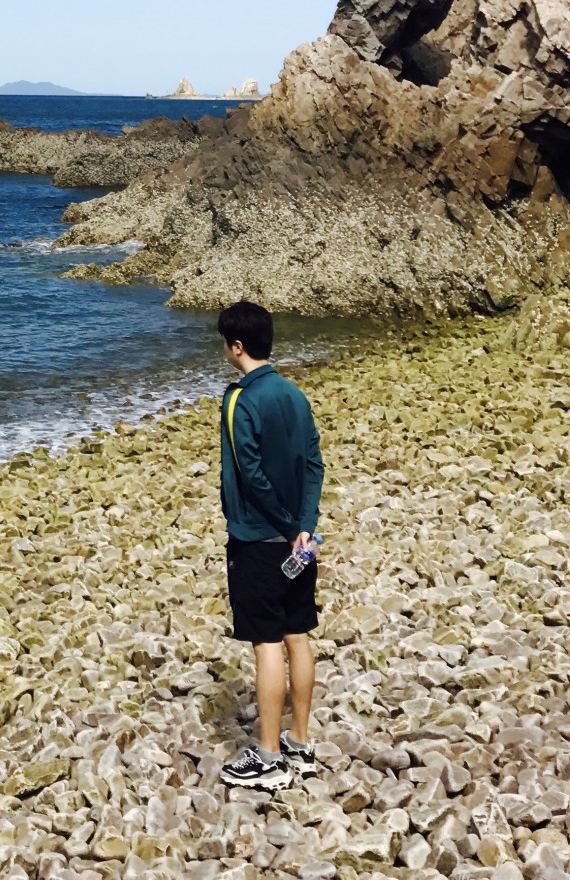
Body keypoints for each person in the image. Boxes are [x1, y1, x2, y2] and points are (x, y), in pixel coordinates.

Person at [215, 299, 324, 789]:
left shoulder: (239, 399)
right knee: (297, 634)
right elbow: (314, 463)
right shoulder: (295, 394)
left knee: (266, 643)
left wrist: (283, 523)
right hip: (299, 540)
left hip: (258, 538)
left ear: (236, 346)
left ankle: (268, 757)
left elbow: (250, 474)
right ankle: (299, 742)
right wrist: (304, 524)